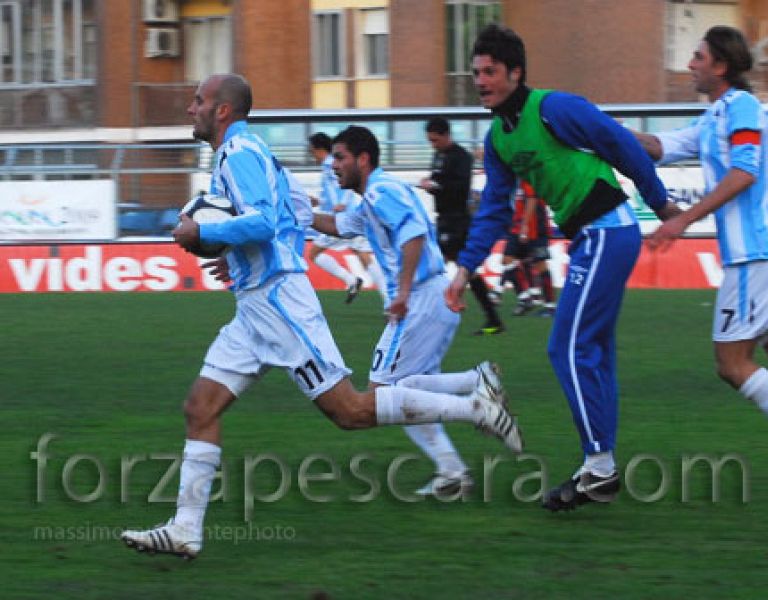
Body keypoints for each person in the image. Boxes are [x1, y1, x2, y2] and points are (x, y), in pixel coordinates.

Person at [120, 73, 522, 559]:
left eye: (198, 101)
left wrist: (203, 235)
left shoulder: (240, 153)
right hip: (253, 306)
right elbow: (293, 215)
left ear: (222, 110)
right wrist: (237, 258)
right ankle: (185, 528)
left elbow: (265, 222)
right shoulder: (249, 153)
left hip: (278, 303)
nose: (191, 109)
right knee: (199, 408)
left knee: (350, 411)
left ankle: (475, 407)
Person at [444, 24, 680, 512]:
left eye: (490, 72)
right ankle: (600, 464)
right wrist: (465, 270)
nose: (480, 81)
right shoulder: (498, 138)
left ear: (516, 73)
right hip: (594, 237)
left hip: (607, 231)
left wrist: (660, 204)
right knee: (594, 351)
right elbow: (493, 210)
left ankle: (600, 468)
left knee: (567, 348)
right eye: (476, 73)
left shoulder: (554, 108)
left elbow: (620, 143)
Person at [634, 26, 768, 444]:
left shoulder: (742, 106)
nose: (691, 65)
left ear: (722, 66)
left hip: (751, 256)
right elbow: (658, 146)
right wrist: (596, 128)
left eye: (699, 57)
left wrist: (682, 220)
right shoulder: (713, 117)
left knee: (731, 363)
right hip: (765, 254)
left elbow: (744, 172)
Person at [314, 124, 480, 497]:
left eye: (340, 158)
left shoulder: (380, 192)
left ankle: (476, 401)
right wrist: (296, 213)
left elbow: (413, 234)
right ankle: (454, 463)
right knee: (405, 395)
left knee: (382, 396)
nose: (333, 165)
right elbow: (339, 225)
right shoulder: (374, 196)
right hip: (429, 297)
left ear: (363, 159)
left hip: (419, 300)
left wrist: (402, 293)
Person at [419, 117, 505, 335]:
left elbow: (460, 187)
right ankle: (491, 317)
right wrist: (430, 183)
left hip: (457, 220)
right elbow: (439, 179)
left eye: (435, 140)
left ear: (446, 135)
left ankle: (429, 312)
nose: (433, 145)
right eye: (430, 141)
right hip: (443, 218)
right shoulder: (439, 155)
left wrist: (435, 186)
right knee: (463, 269)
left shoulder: (461, 157)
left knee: (437, 265)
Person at [307, 132, 386, 303]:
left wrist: (341, 204)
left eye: (312, 151)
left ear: (319, 149)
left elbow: (344, 186)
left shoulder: (330, 164)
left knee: (314, 253)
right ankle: (387, 297)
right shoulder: (333, 164)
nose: (312, 156)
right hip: (349, 217)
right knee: (363, 255)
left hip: (341, 219)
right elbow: (334, 191)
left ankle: (351, 280)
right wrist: (319, 201)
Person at [493, 181, 556, 317]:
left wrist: (525, 225)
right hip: (517, 228)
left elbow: (532, 199)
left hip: (536, 229)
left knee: (540, 265)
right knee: (507, 259)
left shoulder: (530, 179)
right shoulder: (516, 182)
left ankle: (550, 306)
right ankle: (525, 298)